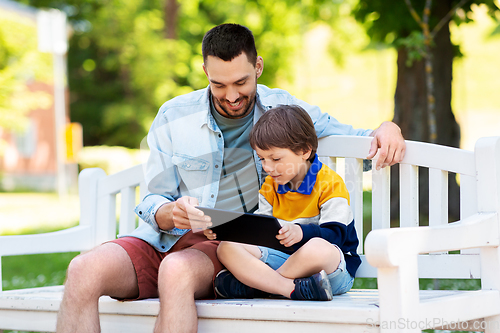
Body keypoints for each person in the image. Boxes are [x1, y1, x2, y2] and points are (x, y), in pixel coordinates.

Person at [56, 23, 405, 333]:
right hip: (161, 238)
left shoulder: (283, 111)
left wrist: (387, 128)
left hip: (224, 247)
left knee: (175, 272)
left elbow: (355, 141)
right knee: (83, 270)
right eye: (218, 84)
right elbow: (152, 200)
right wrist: (170, 212)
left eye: (241, 82)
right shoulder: (174, 116)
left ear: (258, 66)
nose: (232, 95)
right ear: (204, 70)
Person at [205, 105, 360, 301]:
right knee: (226, 247)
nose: (268, 167)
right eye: (262, 159)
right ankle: (289, 288)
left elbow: (336, 236)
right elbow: (261, 236)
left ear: (304, 150)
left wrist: (301, 232)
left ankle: (259, 287)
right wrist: (225, 230)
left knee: (317, 247)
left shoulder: (330, 184)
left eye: (276, 159)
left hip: (330, 271)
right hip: (286, 263)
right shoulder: (270, 186)